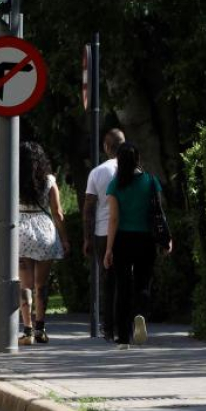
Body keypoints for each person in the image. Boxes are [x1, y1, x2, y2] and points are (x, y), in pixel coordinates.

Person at [104, 142, 170, 347]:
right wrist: (166, 238)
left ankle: (123, 338)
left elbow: (113, 219)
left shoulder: (115, 185)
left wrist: (108, 249)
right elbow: (159, 211)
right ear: (138, 159)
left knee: (122, 287)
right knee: (143, 282)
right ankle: (140, 314)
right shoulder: (151, 181)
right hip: (146, 238)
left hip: (123, 239)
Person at [17, 142, 70, 345]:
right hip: (44, 231)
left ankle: (27, 331)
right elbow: (57, 212)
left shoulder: (14, 180)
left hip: (21, 231)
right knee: (41, 285)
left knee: (25, 285)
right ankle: (41, 328)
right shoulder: (49, 181)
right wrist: (64, 239)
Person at [84, 129, 125, 341]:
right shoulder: (134, 170)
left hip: (102, 232)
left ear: (106, 147)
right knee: (127, 279)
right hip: (129, 231)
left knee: (108, 281)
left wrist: (87, 238)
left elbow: (89, 207)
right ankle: (124, 324)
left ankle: (109, 328)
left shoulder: (98, 172)